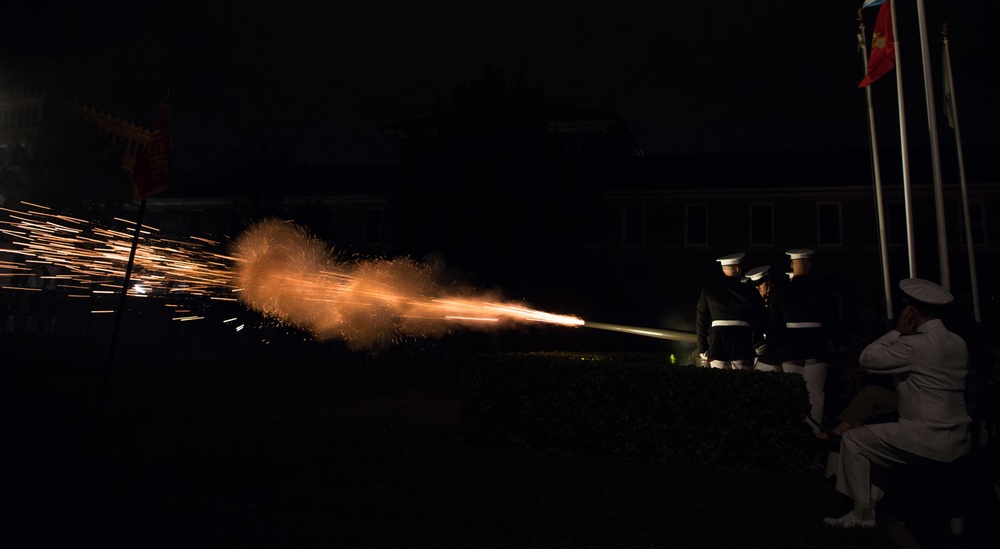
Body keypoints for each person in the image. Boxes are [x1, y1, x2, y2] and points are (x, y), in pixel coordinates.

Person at [823, 278, 971, 529]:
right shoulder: (958, 342)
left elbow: (868, 358)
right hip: (958, 436)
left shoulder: (915, 344)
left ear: (910, 311)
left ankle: (861, 515)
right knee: (883, 450)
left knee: (854, 440)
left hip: (926, 435)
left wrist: (897, 331)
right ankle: (870, 505)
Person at [769, 249, 833, 427]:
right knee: (816, 393)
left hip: (791, 346)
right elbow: (831, 319)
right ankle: (815, 432)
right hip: (816, 344)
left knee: (793, 392)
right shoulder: (822, 289)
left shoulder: (781, 290)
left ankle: (795, 428)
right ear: (809, 265)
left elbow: (775, 323)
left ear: (791, 264)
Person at [696, 253, 767, 370]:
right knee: (741, 382)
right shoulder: (749, 290)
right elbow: (760, 317)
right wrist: (758, 341)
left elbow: (701, 319)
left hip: (717, 342)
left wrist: (702, 346)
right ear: (738, 269)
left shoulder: (709, 290)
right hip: (742, 341)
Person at [743, 265, 782, 372]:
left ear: (768, 281)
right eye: (754, 285)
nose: (757, 287)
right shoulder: (753, 303)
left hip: (774, 354)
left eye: (760, 283)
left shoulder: (776, 300)